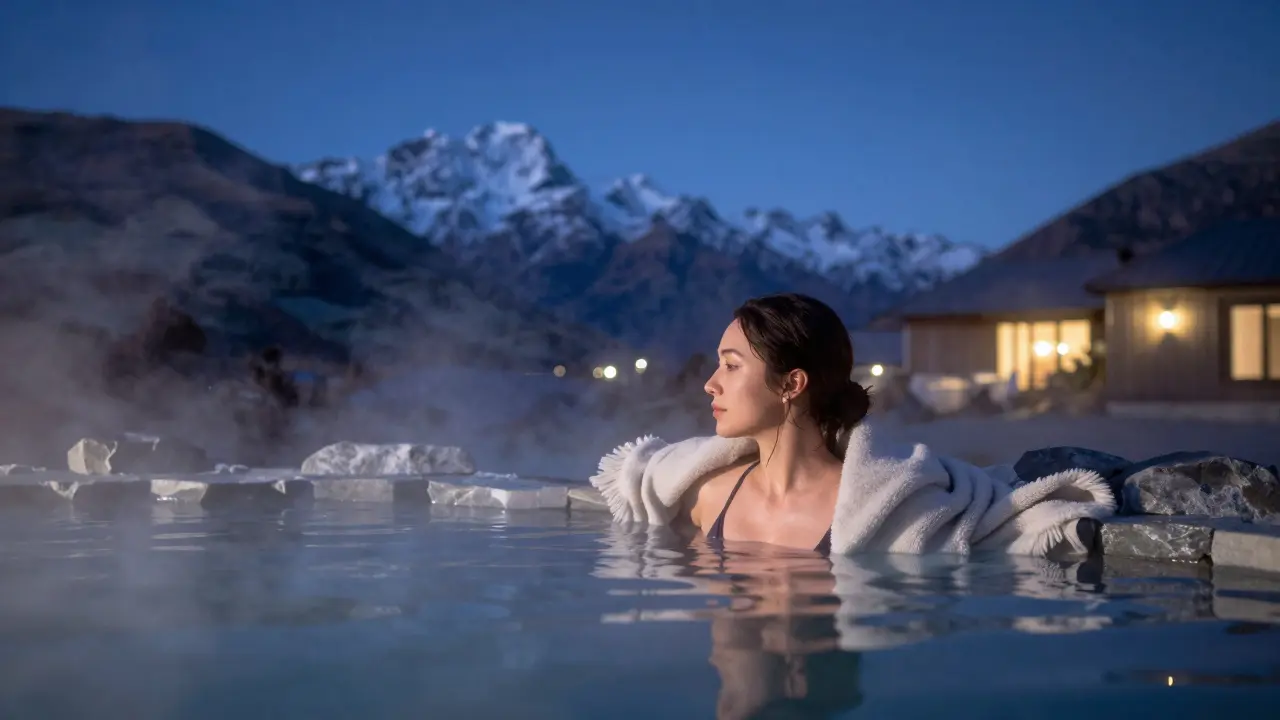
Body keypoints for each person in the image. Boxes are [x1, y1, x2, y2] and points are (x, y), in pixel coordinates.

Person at [590, 292, 1115, 557]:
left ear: (791, 384)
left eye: (731, 365)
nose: (710, 383)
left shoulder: (889, 508)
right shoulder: (708, 494)